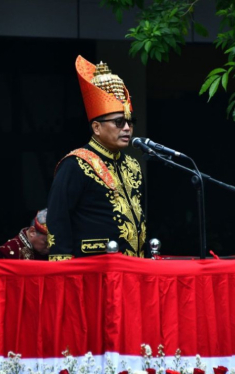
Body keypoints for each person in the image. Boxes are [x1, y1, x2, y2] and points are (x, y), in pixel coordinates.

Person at [46, 55, 146, 260]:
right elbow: (58, 220)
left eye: (130, 121)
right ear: (97, 127)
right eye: (119, 122)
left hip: (134, 268)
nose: (127, 128)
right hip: (93, 270)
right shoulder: (75, 164)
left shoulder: (133, 165)